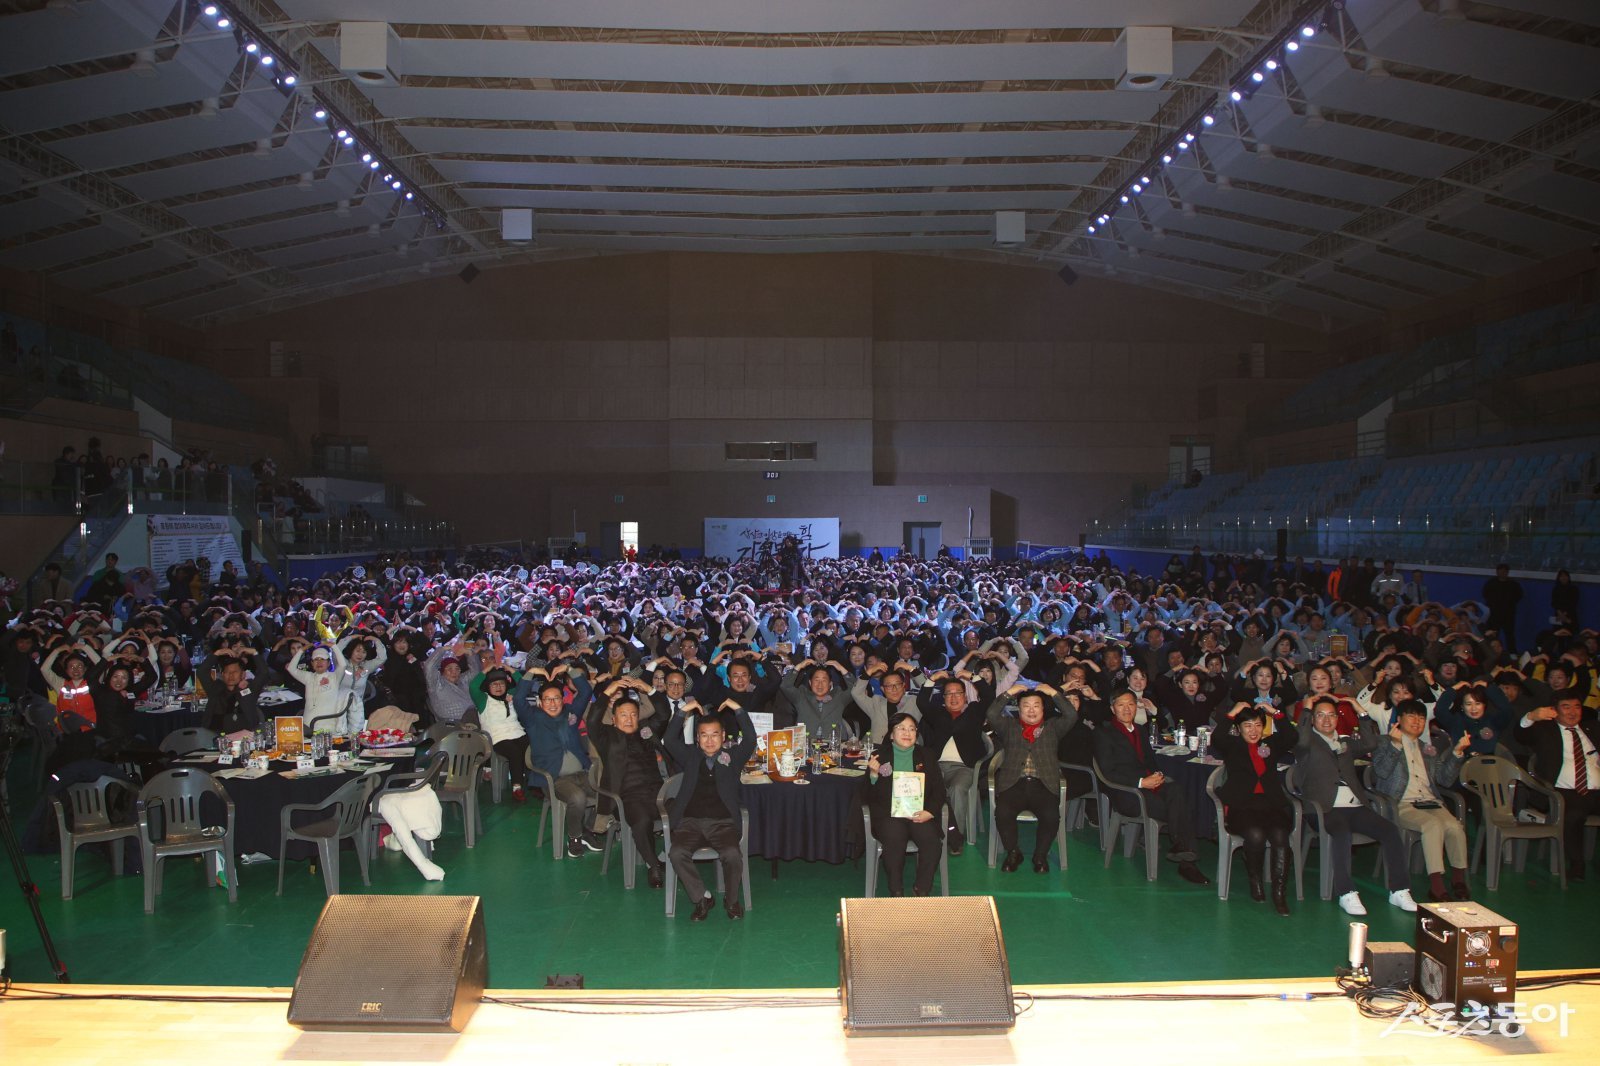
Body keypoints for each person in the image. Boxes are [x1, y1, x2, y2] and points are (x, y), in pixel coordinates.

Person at [1295, 696, 1417, 915]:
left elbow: (1371, 743)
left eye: (1331, 715)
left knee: (1389, 830)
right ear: (1312, 719)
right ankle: (1346, 893)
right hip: (1323, 808)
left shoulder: (1345, 742)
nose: (1326, 720)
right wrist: (1306, 709)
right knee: (1341, 833)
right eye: (1320, 715)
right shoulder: (1307, 743)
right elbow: (1302, 739)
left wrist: (1358, 708)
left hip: (1354, 806)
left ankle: (1399, 890)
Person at [1093, 688, 1211, 885]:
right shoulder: (1104, 733)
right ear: (1113, 709)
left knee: (1177, 791)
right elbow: (1107, 771)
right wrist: (1141, 782)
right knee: (1180, 810)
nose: (1126, 709)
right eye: (1121, 705)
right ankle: (1186, 859)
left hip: (1147, 784)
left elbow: (1150, 762)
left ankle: (1183, 853)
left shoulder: (1140, 729)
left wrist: (1157, 776)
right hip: (1125, 791)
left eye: (1131, 704)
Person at [663, 704, 757, 921]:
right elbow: (669, 739)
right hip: (690, 822)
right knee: (676, 853)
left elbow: (750, 739)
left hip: (723, 823)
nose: (709, 740)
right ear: (697, 738)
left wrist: (739, 710)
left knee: (732, 855)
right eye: (704, 735)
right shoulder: (690, 757)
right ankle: (702, 897)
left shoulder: (732, 757)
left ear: (723, 736)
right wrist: (682, 711)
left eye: (715, 735)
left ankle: (732, 900)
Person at [1372, 700, 1472, 902]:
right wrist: (1395, 745)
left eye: (1421, 718)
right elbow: (1380, 772)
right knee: (1432, 825)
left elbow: (1444, 779)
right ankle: (1436, 885)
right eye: (1411, 716)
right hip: (1401, 803)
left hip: (1430, 801)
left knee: (1454, 826)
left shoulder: (1427, 748)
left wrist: (1457, 753)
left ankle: (1459, 881)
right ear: (1399, 719)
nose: (1417, 722)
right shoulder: (1383, 742)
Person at [1211, 703, 1299, 914]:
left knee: (1280, 835)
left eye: (1258, 725)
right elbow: (1217, 738)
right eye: (1248, 726)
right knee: (1256, 835)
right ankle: (1255, 881)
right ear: (1239, 728)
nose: (1253, 731)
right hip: (1242, 804)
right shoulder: (1232, 745)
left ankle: (1279, 893)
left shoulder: (1271, 744)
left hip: (1270, 803)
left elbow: (1292, 736)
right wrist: (1231, 713)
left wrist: (1276, 713)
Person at [986, 686, 1077, 873]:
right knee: (1002, 812)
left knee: (1051, 816)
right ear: (1019, 709)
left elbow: (1071, 715)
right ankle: (1013, 852)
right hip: (1013, 783)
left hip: (1043, 783)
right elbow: (992, 713)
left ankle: (1040, 855)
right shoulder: (1009, 726)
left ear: (1043, 709)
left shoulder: (1053, 727)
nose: (1031, 710)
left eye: (1036, 705)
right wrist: (1009, 693)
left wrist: (1053, 693)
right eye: (1026, 706)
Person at [1516, 691, 1600, 882]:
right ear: (1554, 711)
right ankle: (1578, 865)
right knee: (1574, 815)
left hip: (1596, 791)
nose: (1572, 712)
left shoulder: (1592, 729)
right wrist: (1531, 716)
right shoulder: (1546, 730)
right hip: (1564, 792)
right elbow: (1520, 734)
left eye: (1577, 706)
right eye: (1566, 706)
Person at [587, 692, 668, 887]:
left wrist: (648, 689)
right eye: (623, 715)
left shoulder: (646, 732)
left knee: (684, 810)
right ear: (614, 719)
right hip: (628, 797)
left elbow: (664, 714)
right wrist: (609, 690)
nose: (629, 719)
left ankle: (665, 857)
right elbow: (592, 719)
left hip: (658, 793)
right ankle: (653, 866)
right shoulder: (607, 737)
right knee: (641, 821)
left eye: (633, 714)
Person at [519, 673, 602, 856]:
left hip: (582, 773)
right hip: (555, 780)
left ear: (562, 700)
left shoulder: (571, 713)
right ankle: (574, 837)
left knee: (607, 791)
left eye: (556, 698)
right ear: (540, 702)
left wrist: (569, 668)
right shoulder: (533, 720)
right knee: (577, 798)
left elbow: (586, 690)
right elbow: (518, 699)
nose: (553, 703)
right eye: (547, 699)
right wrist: (532, 672)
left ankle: (587, 829)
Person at [865, 712, 948, 896]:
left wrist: (931, 812)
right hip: (889, 815)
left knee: (931, 842)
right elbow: (868, 796)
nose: (907, 733)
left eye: (911, 729)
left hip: (919, 812)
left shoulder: (926, 755)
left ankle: (922, 888)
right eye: (901, 728)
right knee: (894, 839)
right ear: (892, 734)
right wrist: (873, 775)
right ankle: (896, 890)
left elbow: (939, 791)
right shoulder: (879, 755)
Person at [917, 673, 993, 855]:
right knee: (921, 787)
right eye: (948, 694)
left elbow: (989, 695)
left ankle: (955, 838)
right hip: (935, 767)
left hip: (963, 768)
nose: (953, 697)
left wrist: (973, 677)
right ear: (943, 698)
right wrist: (931, 680)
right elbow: (922, 702)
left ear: (965, 695)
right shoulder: (937, 713)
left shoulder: (974, 711)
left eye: (957, 693)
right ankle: (926, 833)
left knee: (958, 789)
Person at [475, 667, 530, 802]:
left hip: (517, 732)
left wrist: (509, 668)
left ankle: (535, 783)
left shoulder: (510, 695)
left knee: (534, 746)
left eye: (502, 683)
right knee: (515, 751)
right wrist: (487, 668)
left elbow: (523, 684)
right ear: (488, 687)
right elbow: (473, 686)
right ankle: (517, 787)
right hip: (497, 737)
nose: (499, 687)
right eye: (494, 684)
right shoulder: (483, 700)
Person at [200, 655, 262, 734]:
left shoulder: (248, 689)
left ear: (243, 674)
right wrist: (218, 653)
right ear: (222, 674)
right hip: (216, 737)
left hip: (244, 738)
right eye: (227, 672)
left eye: (235, 672)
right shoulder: (215, 689)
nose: (231, 675)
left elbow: (264, 673)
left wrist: (255, 653)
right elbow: (201, 671)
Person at [1482, 563, 1523, 651]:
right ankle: (1490, 651)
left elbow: (1519, 596)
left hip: (1508, 614)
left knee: (1509, 635)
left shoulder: (1513, 584)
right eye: (1500, 571)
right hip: (1493, 614)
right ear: (1497, 572)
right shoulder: (1491, 583)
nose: (1502, 573)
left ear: (1508, 572)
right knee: (1492, 634)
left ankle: (1512, 653)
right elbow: (1485, 594)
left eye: (1505, 571)